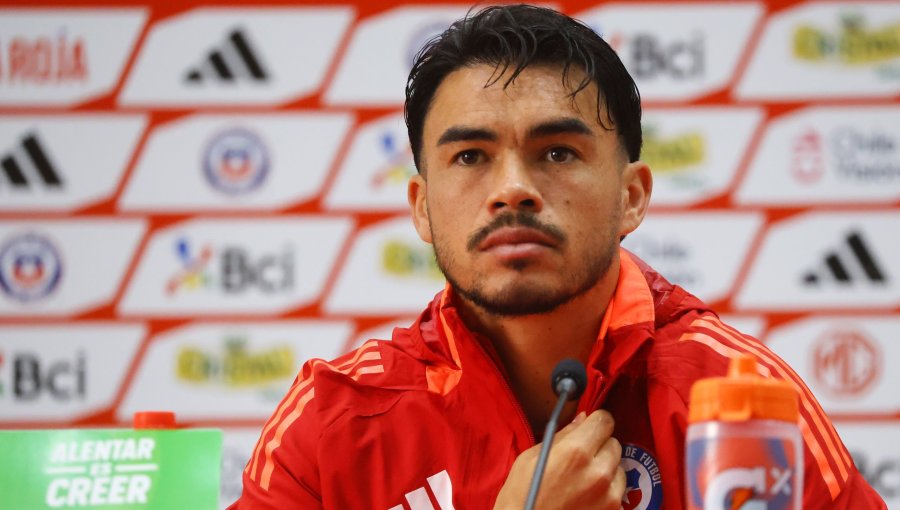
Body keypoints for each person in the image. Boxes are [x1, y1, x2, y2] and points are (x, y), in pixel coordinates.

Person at [231, 5, 885, 509]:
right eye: (470, 156)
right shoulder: (334, 420)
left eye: (557, 152)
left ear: (631, 197)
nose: (513, 188)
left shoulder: (739, 401)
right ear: (422, 208)